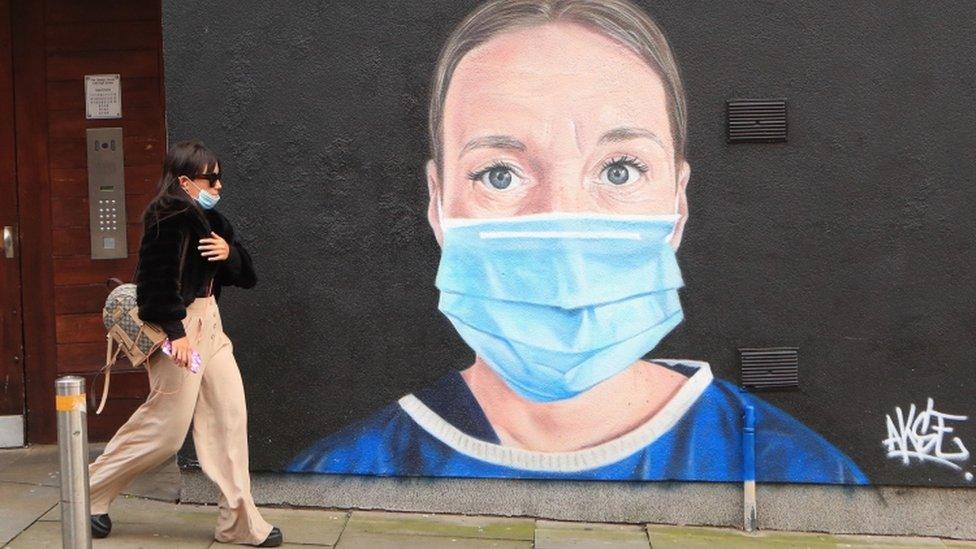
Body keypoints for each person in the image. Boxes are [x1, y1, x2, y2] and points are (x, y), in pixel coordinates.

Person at [289, 0, 866, 484]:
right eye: (499, 174)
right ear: (438, 205)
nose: (563, 229)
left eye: (619, 170)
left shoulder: (799, 472)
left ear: (678, 203)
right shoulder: (344, 472)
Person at [88, 141, 283, 546]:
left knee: (230, 418)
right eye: (210, 178)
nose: (218, 184)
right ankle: (87, 492)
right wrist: (175, 336)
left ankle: (238, 524)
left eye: (219, 176)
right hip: (179, 328)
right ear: (184, 181)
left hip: (212, 327)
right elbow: (154, 284)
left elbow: (246, 276)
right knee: (166, 431)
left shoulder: (214, 222)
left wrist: (230, 254)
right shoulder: (168, 216)